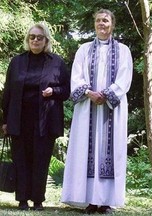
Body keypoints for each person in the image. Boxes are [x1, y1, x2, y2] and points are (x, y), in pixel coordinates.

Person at [61, 9, 133, 214]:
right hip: (87, 108)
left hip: (112, 110)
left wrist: (107, 95)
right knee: (87, 150)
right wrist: (89, 93)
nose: (102, 24)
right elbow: (76, 76)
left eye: (106, 20)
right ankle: (90, 200)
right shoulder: (83, 50)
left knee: (109, 152)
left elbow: (124, 77)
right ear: (94, 24)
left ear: (113, 24)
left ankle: (106, 201)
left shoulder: (123, 50)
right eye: (98, 20)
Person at [1, 23, 70, 211]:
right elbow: (7, 93)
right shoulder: (17, 62)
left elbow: (66, 90)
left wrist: (53, 91)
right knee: (20, 159)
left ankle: (38, 200)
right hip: (19, 119)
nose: (35, 40)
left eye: (40, 37)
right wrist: (5, 121)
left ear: (46, 40)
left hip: (45, 120)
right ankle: (22, 199)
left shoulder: (56, 62)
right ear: (27, 39)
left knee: (40, 159)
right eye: (32, 37)